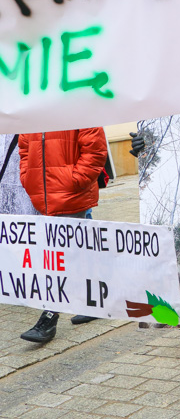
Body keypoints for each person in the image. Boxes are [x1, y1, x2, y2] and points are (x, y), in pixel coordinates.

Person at [18, 128, 107, 343]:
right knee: (80, 251)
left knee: (59, 258)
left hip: (71, 195)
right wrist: (28, 178)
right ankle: (94, 300)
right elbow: (24, 150)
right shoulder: (33, 110)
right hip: (44, 196)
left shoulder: (78, 102)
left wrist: (73, 181)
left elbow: (95, 151)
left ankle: (50, 317)